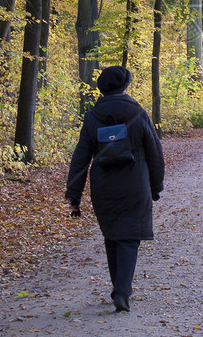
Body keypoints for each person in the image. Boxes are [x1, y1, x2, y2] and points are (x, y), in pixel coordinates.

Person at [65, 66, 164, 313]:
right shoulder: (138, 113)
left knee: (112, 235)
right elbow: (155, 153)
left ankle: (118, 288)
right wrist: (156, 185)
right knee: (129, 238)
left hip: (103, 187)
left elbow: (80, 158)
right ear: (125, 87)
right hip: (135, 185)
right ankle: (122, 291)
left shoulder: (92, 117)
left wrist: (74, 194)